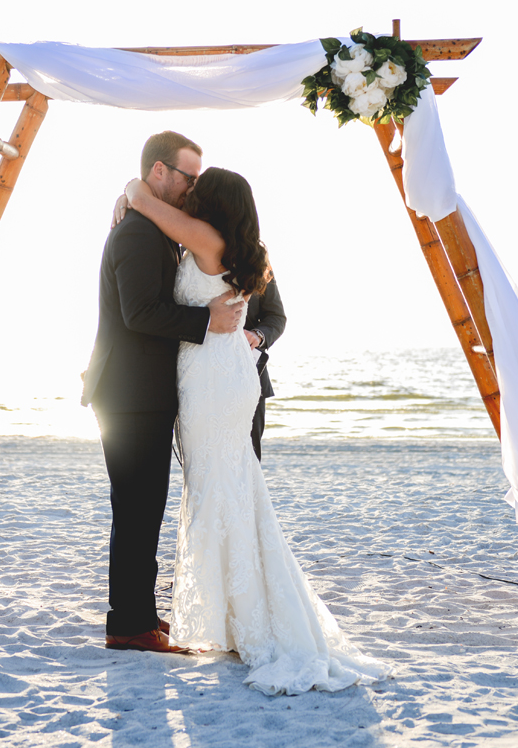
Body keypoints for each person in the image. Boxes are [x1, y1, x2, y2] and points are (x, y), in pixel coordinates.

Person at [124, 169, 390, 695]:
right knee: (231, 491)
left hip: (213, 381)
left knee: (216, 493)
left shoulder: (205, 239)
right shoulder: (243, 249)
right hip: (225, 378)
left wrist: (130, 192)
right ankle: (237, 615)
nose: (190, 196)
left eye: (199, 191)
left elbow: (145, 202)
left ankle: (244, 621)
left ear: (215, 204)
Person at [81, 132, 245, 654]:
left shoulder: (152, 226)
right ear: (158, 172)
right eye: (187, 176)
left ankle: (141, 618)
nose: (193, 187)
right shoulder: (135, 234)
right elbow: (139, 313)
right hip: (130, 395)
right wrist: (209, 321)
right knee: (135, 511)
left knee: (144, 508)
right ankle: (129, 627)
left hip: (142, 392)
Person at [243, 277, 285, 461]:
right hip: (194, 374)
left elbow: (276, 316)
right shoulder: (182, 252)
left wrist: (258, 335)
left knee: (249, 461)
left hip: (250, 376)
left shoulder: (257, 256)